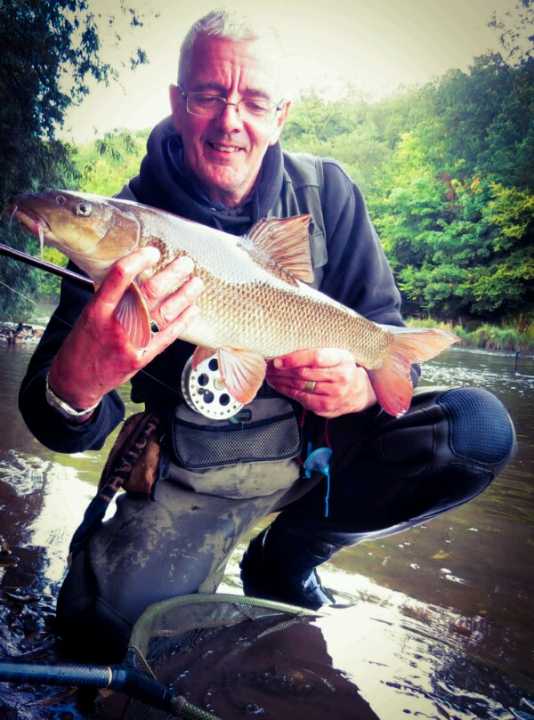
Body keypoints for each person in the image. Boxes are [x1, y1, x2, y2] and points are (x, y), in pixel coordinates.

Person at [19, 10, 516, 662]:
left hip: (316, 463)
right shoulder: (116, 235)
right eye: (209, 95)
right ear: (178, 103)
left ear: (279, 114)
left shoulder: (329, 193)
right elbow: (58, 422)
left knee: (477, 432)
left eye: (253, 101)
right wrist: (81, 381)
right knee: (104, 640)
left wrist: (361, 390)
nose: (231, 120)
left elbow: (389, 339)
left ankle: (287, 554)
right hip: (193, 479)